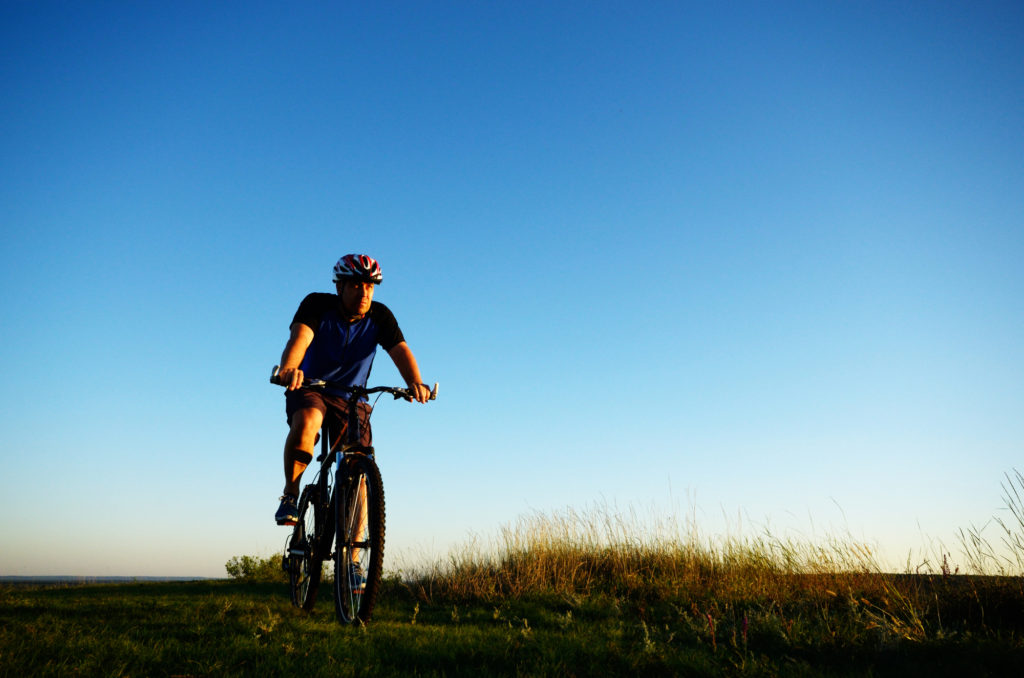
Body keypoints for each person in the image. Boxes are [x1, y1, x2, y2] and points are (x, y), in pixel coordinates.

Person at [274, 253, 430, 525]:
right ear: (340, 287)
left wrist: (415, 383)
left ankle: (355, 561)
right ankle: (290, 494)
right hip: (310, 386)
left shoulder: (380, 315)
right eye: (356, 285)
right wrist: (289, 368)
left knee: (361, 468)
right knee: (309, 420)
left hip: (351, 396)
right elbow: (300, 337)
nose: (364, 293)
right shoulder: (317, 304)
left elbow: (400, 350)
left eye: (369, 286)